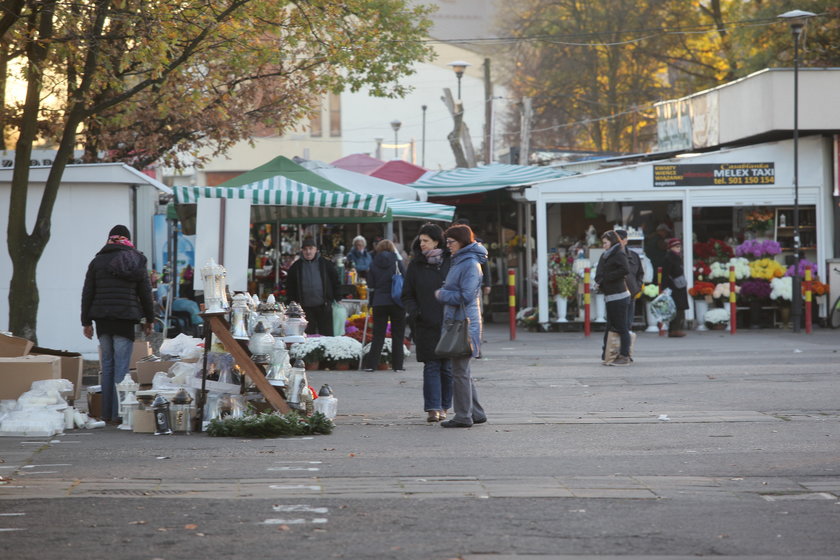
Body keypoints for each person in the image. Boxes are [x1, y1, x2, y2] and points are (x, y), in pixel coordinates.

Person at [81, 225, 155, 423]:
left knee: (107, 365)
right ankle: (119, 414)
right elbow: (145, 293)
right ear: (128, 240)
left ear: (109, 239)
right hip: (125, 319)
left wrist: (86, 322)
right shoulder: (136, 260)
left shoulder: (97, 261)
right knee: (122, 367)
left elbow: (88, 292)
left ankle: (106, 414)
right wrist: (150, 319)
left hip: (102, 319)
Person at [435, 224, 488, 427]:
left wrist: (442, 294)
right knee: (462, 370)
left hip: (464, 322)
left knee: (459, 371)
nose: (448, 246)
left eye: (451, 242)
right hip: (461, 320)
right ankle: (476, 412)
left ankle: (463, 416)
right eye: (447, 242)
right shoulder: (462, 261)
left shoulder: (469, 263)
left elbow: (466, 295)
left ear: (463, 241)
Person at [402, 223, 453, 422]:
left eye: (426, 240)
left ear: (436, 241)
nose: (421, 244)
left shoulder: (450, 261)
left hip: (449, 323)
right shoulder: (416, 264)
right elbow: (407, 294)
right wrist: (416, 313)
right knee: (431, 365)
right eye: (420, 240)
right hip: (425, 323)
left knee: (446, 366)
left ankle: (445, 406)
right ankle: (433, 408)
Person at [363, 239, 407, 372]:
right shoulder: (398, 262)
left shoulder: (373, 263)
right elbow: (405, 280)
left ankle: (371, 365)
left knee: (378, 335)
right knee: (398, 335)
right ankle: (398, 366)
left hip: (379, 302)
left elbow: (370, 285)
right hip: (396, 302)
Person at [285, 237, 340, 336]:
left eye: (311, 248)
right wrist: (291, 303)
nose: (308, 252)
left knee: (326, 336)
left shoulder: (326, 264)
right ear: (302, 251)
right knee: (307, 336)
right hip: (304, 309)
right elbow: (290, 287)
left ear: (316, 250)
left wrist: (337, 297)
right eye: (305, 249)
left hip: (324, 306)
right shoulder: (296, 267)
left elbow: (335, 281)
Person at [594, 230, 631, 366]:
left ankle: (624, 356)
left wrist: (606, 278)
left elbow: (625, 269)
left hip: (619, 295)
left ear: (612, 242)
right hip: (611, 296)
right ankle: (608, 354)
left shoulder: (618, 253)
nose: (603, 245)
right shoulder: (606, 255)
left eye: (605, 242)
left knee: (621, 327)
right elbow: (600, 272)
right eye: (602, 243)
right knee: (610, 326)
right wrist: (600, 280)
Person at [615, 229, 644, 332]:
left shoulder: (634, 256)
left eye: (619, 240)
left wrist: (637, 287)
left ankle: (626, 346)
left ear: (625, 241)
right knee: (617, 325)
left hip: (631, 293)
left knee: (628, 325)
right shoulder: (609, 256)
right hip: (615, 295)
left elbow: (640, 273)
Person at [663, 238, 689, 337]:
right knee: (677, 308)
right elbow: (667, 273)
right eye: (676, 246)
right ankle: (674, 329)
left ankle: (675, 329)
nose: (679, 248)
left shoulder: (675, 257)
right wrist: (666, 287)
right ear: (671, 247)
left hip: (678, 285)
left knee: (679, 308)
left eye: (679, 246)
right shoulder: (670, 258)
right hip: (674, 286)